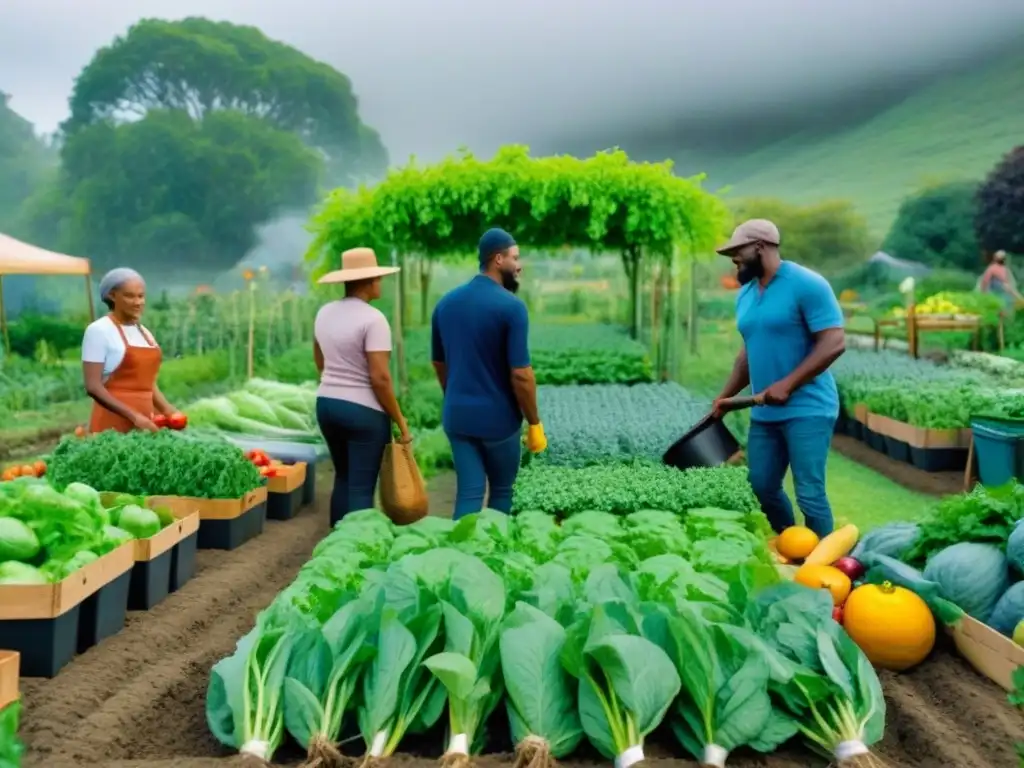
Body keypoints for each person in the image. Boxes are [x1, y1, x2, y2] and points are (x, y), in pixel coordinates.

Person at [711, 219, 846, 538]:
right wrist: (724, 398)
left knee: (810, 495)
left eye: (737, 251)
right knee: (762, 486)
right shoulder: (745, 294)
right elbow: (748, 353)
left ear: (760, 246)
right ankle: (793, 545)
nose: (733, 259)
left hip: (808, 408)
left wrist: (787, 384)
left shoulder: (807, 284)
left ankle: (824, 571)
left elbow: (834, 342)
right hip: (765, 412)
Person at [431, 228, 547, 520]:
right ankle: (495, 558)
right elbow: (521, 375)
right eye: (515, 258)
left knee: (469, 492)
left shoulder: (445, 304)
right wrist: (534, 423)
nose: (519, 265)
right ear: (498, 259)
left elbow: (438, 363)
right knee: (502, 491)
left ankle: (460, 558)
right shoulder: (511, 308)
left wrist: (457, 396)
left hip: (457, 419)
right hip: (498, 422)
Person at [314, 247, 411, 526]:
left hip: (327, 404)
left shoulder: (325, 313)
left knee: (343, 478)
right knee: (361, 487)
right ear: (368, 282)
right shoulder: (373, 319)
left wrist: (337, 384)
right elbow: (380, 378)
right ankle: (355, 553)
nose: (380, 283)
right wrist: (400, 420)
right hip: (363, 412)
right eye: (377, 279)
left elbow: (320, 360)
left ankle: (336, 547)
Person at [82, 268, 178, 434]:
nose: (138, 302)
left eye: (141, 296)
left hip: (146, 420)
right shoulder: (98, 330)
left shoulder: (144, 332)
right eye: (130, 296)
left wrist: (167, 410)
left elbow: (146, 383)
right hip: (112, 421)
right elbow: (93, 387)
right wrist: (134, 416)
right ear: (112, 295)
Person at [979, 250, 1023, 314]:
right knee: (1007, 289)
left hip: (1003, 291)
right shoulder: (992, 268)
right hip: (997, 288)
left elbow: (1007, 281)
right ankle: (1020, 299)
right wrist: (984, 292)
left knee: (1008, 292)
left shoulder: (1004, 269)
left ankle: (1020, 299)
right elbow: (985, 281)